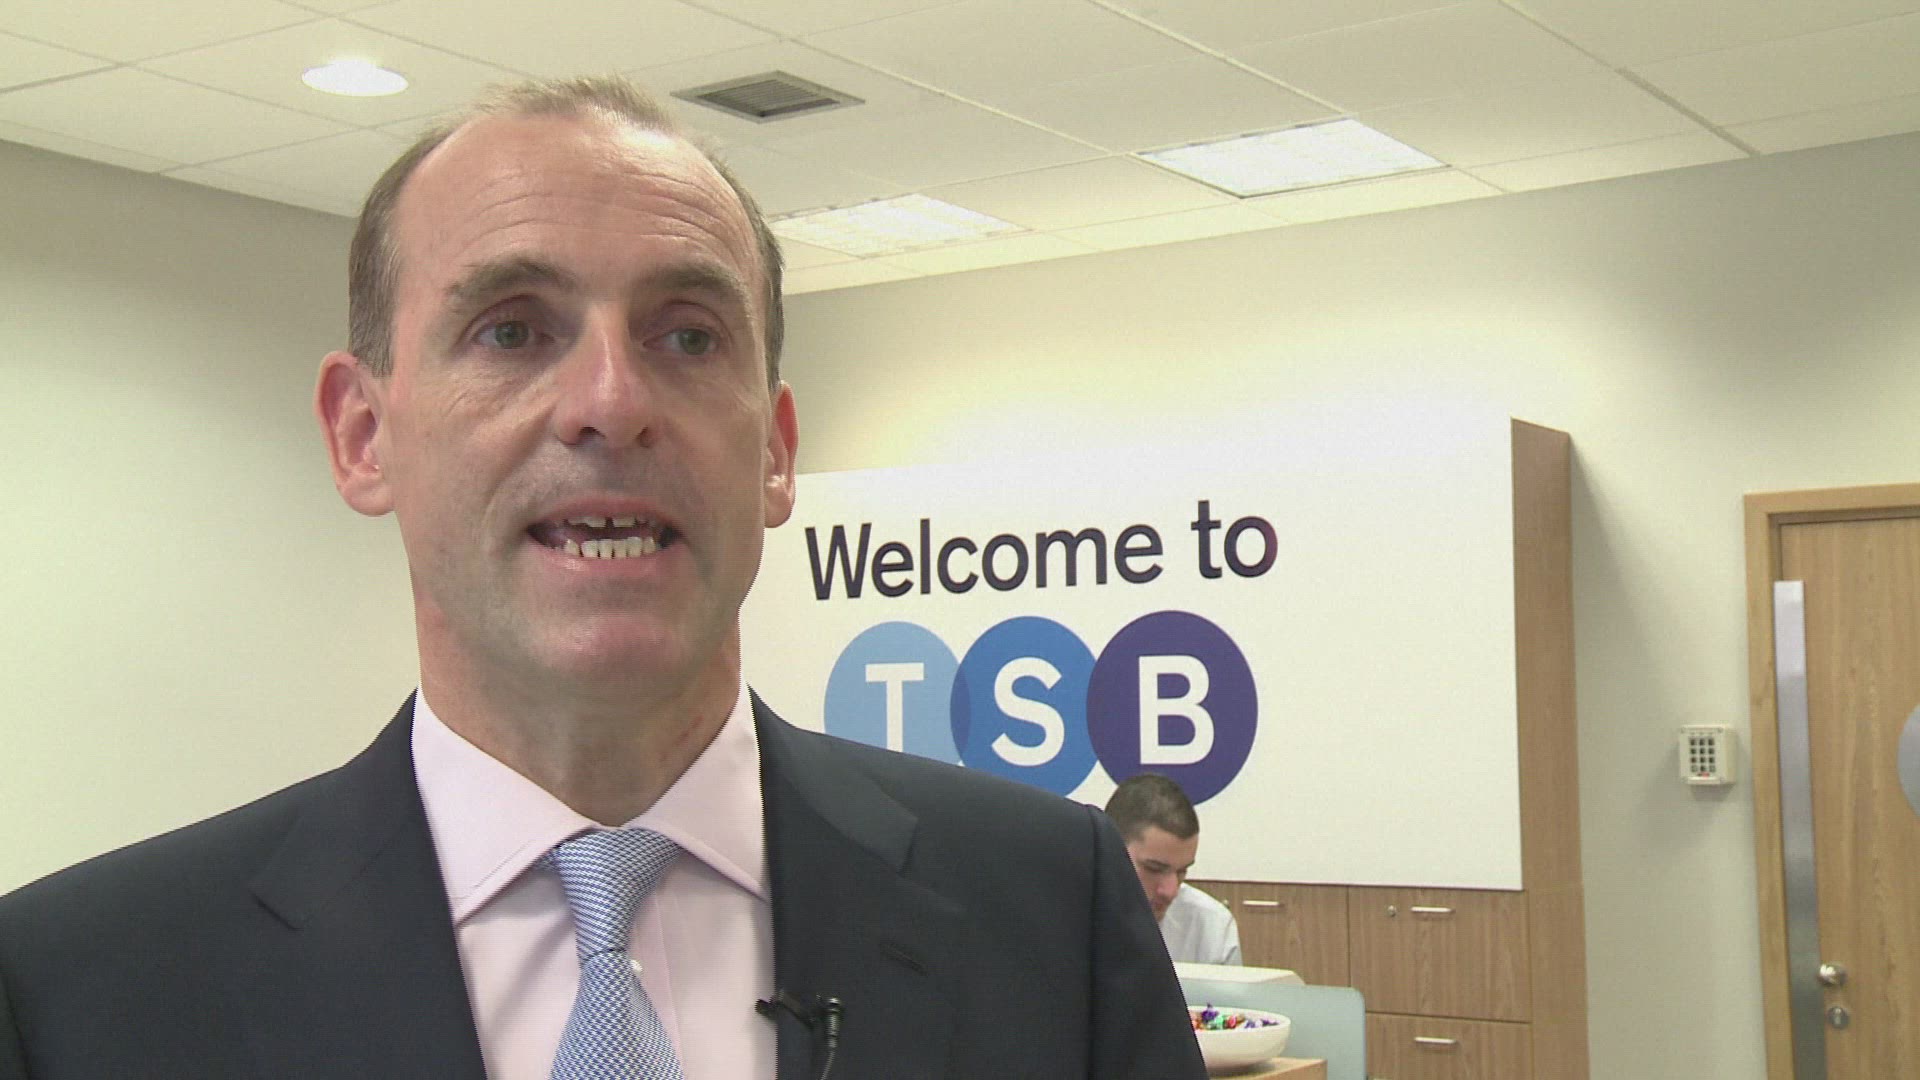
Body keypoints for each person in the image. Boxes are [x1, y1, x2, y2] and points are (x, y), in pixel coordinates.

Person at [0, 76, 1203, 1080]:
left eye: (688, 336)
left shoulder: (1049, 914)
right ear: (363, 436)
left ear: (776, 453)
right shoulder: (79, 991)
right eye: (512, 330)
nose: (612, 403)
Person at [1104, 773, 1242, 966]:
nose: (1170, 892)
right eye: (1153, 869)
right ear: (1108, 851)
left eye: (1182, 871)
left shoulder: (1212, 928)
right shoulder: (1063, 917)